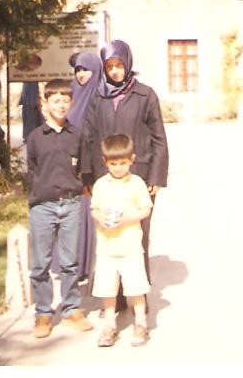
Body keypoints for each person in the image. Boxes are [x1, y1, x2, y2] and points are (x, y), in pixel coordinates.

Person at [83, 40, 169, 302]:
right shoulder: (97, 97)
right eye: (110, 66)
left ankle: (138, 295)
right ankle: (115, 295)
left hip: (139, 177)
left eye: (119, 65)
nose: (115, 71)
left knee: (137, 234)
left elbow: (159, 138)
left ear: (128, 64)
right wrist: (87, 176)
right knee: (110, 232)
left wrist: (156, 177)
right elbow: (88, 136)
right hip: (106, 178)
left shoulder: (145, 95)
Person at [26, 79, 93, 339]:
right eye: (56, 100)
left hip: (71, 204)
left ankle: (71, 309)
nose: (61, 105)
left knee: (69, 262)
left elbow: (84, 168)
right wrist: (41, 193)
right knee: (40, 264)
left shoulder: (77, 135)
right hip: (42, 206)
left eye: (65, 100)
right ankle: (43, 313)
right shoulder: (35, 137)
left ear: (71, 102)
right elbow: (32, 169)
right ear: (45, 103)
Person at [91, 134, 154, 348]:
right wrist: (101, 218)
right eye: (113, 164)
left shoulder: (136, 183)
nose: (118, 168)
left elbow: (145, 209)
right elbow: (95, 209)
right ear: (105, 162)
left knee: (135, 287)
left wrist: (127, 218)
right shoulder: (100, 185)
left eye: (122, 163)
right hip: (107, 247)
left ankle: (140, 322)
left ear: (132, 160)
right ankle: (110, 325)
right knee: (107, 289)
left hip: (130, 246)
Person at [66, 51, 105, 283]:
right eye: (78, 70)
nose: (81, 75)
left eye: (85, 70)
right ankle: (76, 265)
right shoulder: (72, 96)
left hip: (94, 170)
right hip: (72, 169)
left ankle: (92, 268)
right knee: (74, 219)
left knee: (93, 217)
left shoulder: (102, 97)